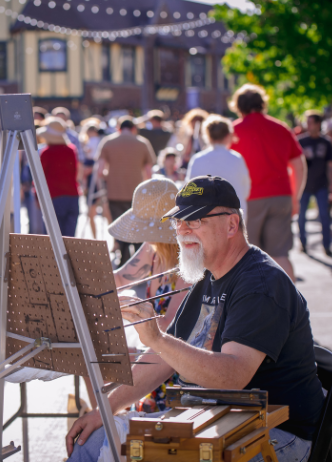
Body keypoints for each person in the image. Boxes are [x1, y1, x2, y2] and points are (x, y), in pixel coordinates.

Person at [66, 176, 324, 462]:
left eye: (195, 220)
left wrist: (158, 338)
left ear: (231, 225)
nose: (183, 230)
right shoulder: (208, 274)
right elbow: (163, 359)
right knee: (91, 443)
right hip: (213, 419)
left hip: (276, 433)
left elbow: (231, 377)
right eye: (178, 221)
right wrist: (105, 408)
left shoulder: (260, 284)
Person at [81, 178, 190, 411]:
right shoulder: (154, 248)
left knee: (98, 359)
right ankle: (104, 423)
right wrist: (80, 286)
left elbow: (171, 326)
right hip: (155, 345)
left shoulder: (187, 263)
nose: (142, 234)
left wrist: (128, 310)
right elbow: (119, 279)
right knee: (90, 357)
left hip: (174, 361)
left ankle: (105, 422)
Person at [230, 84, 306, 281]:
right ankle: (292, 306)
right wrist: (295, 198)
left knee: (246, 256)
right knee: (280, 254)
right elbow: (299, 166)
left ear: (238, 106)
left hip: (249, 199)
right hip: (281, 196)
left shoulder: (234, 131)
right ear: (262, 104)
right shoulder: (280, 127)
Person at [97, 116, 156, 266]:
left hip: (114, 193)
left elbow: (100, 171)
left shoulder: (108, 142)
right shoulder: (142, 143)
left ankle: (122, 258)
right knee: (137, 227)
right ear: (134, 129)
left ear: (119, 128)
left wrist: (110, 176)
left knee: (120, 226)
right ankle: (138, 260)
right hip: (137, 194)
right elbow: (148, 172)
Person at [187, 114, 251, 220]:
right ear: (227, 135)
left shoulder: (197, 159)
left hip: (205, 217)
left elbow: (190, 191)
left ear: (206, 135)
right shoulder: (236, 158)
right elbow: (246, 191)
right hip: (235, 216)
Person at [37, 117, 80, 237]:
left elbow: (40, 177)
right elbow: (75, 172)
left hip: (53, 197)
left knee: (53, 240)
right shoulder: (71, 150)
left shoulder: (46, 152)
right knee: (69, 239)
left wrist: (37, 196)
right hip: (72, 196)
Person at [298, 110, 332, 256]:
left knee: (325, 216)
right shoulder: (300, 141)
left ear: (318, 124)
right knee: (301, 216)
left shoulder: (326, 143)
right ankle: (303, 243)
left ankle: (326, 246)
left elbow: (330, 165)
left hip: (321, 185)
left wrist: (331, 185)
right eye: (308, 122)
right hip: (304, 185)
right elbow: (294, 164)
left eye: (311, 122)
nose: (309, 125)